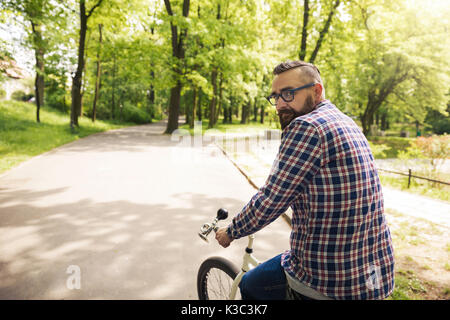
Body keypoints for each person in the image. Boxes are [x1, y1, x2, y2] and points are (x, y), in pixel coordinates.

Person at [215, 60, 395, 300]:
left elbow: (272, 199)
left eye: (288, 94)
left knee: (250, 284)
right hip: (374, 272)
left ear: (316, 90)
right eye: (275, 96)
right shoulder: (346, 121)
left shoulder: (306, 127)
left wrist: (231, 231)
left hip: (329, 277)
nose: (280, 104)